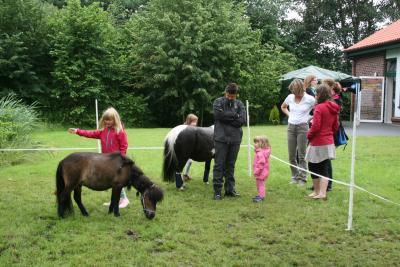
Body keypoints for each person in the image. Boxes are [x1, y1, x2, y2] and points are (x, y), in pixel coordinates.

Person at [68, 107, 130, 208]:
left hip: (116, 162)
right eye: (106, 119)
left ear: (115, 120)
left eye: (109, 120)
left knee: (117, 181)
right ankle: (115, 200)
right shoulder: (102, 131)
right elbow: (90, 133)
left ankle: (124, 199)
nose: (107, 122)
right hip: (105, 162)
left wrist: (121, 159)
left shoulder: (120, 132)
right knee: (112, 181)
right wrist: (77, 131)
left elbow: (124, 146)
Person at [212, 83, 246, 200]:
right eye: (229, 95)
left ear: (236, 95)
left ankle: (230, 190)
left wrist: (228, 117)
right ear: (225, 92)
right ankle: (217, 191)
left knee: (230, 165)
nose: (231, 97)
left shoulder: (240, 104)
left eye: (233, 96)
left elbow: (242, 120)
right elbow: (219, 115)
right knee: (219, 165)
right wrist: (234, 116)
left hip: (235, 139)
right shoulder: (218, 102)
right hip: (221, 139)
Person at [306, 84, 339, 200]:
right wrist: (329, 134)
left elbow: (316, 126)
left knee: (313, 165)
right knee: (323, 166)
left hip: (318, 142)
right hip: (328, 141)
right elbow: (336, 126)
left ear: (319, 94)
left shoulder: (319, 108)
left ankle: (319, 192)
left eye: (316, 93)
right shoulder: (334, 107)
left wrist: (308, 135)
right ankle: (319, 192)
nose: (315, 95)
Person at [281, 79, 315, 185]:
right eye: (293, 92)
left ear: (302, 89)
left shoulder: (310, 99)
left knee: (301, 154)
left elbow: (318, 110)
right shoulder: (290, 97)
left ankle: (303, 178)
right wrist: (290, 115)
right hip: (291, 127)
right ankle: (295, 176)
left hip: (303, 128)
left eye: (296, 92)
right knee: (291, 155)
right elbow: (283, 107)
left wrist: (308, 118)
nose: (295, 94)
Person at [252, 135, 271, 203]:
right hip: (262, 171)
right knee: (259, 184)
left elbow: (261, 163)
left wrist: (257, 171)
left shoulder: (260, 153)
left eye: (256, 142)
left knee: (260, 184)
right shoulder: (260, 152)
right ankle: (260, 194)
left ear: (262, 144)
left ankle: (261, 197)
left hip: (261, 172)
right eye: (255, 142)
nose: (254, 144)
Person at [182, 114, 199, 182]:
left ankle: (186, 174)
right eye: (194, 122)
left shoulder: (192, 128)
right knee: (188, 161)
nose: (195, 123)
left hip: (190, 148)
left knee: (190, 161)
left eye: (196, 122)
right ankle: (185, 175)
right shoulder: (184, 128)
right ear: (189, 121)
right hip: (184, 148)